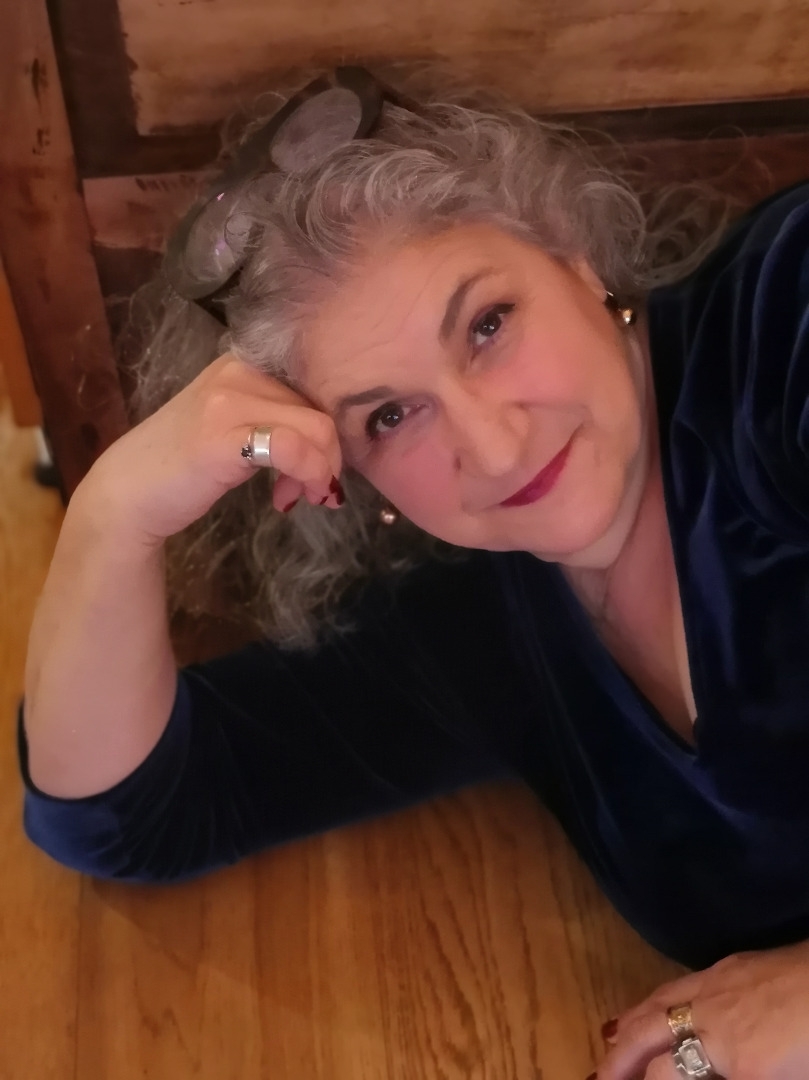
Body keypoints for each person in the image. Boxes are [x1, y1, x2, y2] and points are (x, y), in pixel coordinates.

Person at [17, 66, 809, 1079]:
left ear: (571, 254)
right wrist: (114, 515)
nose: (492, 445)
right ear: (344, 473)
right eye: (389, 417)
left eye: (488, 324)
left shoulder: (781, 321)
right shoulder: (474, 620)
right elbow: (126, 818)